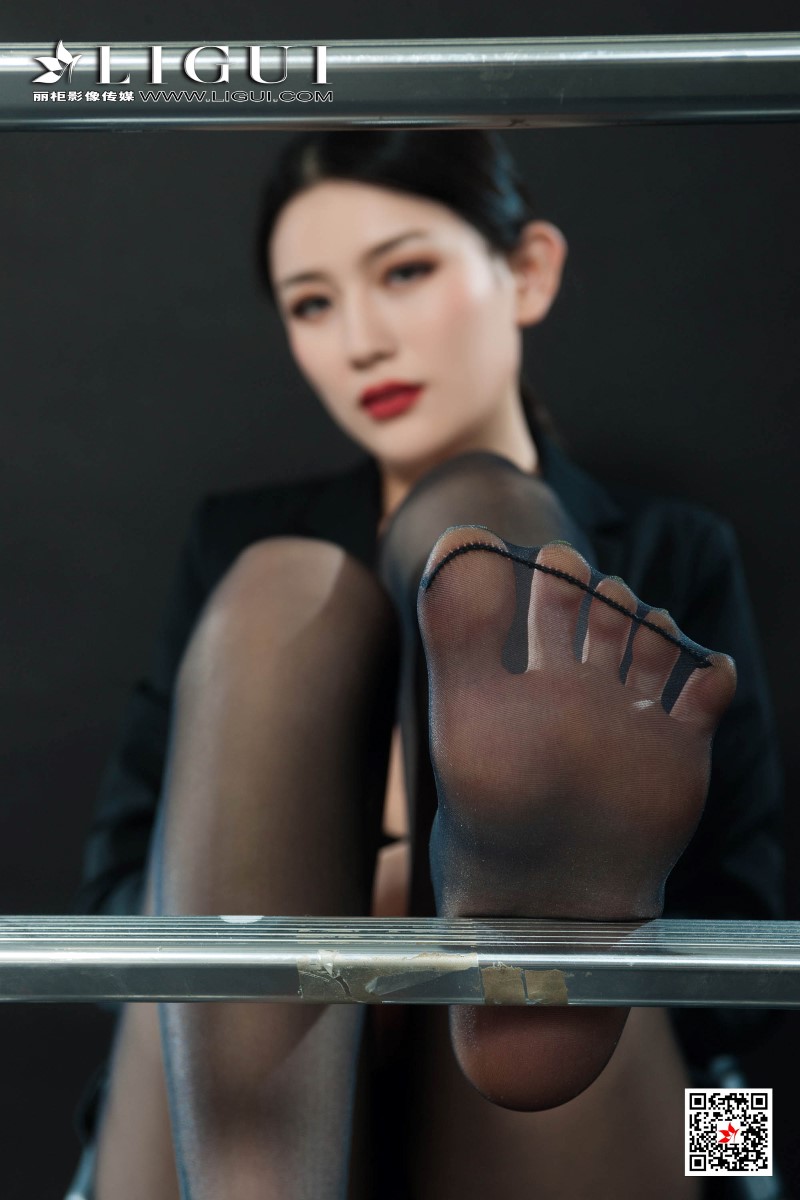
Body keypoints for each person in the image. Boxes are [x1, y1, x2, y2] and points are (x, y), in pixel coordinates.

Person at [67, 131, 784, 1200]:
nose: (362, 340)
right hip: (260, 1076)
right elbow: (113, 915)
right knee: (282, 590)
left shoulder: (674, 552)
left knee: (712, 1108)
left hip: (627, 1093)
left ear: (527, 271)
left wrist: (736, 1149)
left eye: (403, 272)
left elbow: (745, 972)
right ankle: (494, 904)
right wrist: (363, 897)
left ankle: (541, 916)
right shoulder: (233, 547)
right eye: (312, 304)